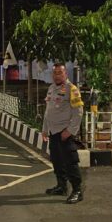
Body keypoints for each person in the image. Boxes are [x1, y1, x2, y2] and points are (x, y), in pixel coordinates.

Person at [41, 63, 84, 204]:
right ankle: (61, 186)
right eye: (55, 73)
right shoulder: (51, 88)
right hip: (53, 132)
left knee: (71, 162)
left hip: (64, 133)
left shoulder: (72, 89)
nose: (57, 75)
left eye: (60, 73)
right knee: (57, 161)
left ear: (66, 74)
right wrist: (45, 129)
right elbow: (48, 111)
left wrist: (70, 131)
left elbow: (78, 112)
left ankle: (77, 191)